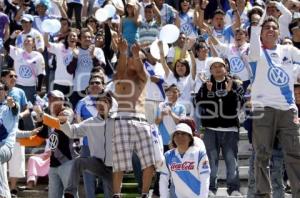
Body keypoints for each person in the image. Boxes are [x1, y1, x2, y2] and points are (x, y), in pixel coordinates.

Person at [248, 15, 300, 197]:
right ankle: (263, 194)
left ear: (279, 32)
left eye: (274, 27)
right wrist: (255, 22)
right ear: (260, 33)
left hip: (288, 109)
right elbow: (254, 45)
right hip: (263, 108)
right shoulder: (255, 52)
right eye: (266, 27)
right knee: (261, 156)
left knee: (296, 154)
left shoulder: (288, 50)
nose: (270, 29)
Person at [112, 39, 155, 198]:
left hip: (141, 120)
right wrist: (123, 52)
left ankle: (144, 194)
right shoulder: (119, 78)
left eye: (139, 60)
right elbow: (121, 69)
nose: (137, 62)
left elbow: (141, 70)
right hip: (122, 120)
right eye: (133, 59)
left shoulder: (143, 78)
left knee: (149, 162)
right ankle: (116, 194)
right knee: (119, 163)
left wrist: (137, 55)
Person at [195, 57, 244, 197]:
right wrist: (209, 93)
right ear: (210, 70)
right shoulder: (206, 85)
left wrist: (229, 92)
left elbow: (238, 103)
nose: (217, 68)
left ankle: (234, 189)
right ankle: (210, 188)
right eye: (214, 66)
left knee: (231, 160)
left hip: (230, 130)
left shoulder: (234, 83)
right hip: (211, 129)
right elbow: (200, 103)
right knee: (210, 161)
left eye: (220, 66)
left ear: (225, 68)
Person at [59, 92, 114, 198]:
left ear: (110, 105)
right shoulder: (90, 122)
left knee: (111, 195)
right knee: (78, 162)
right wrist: (64, 123)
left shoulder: (117, 122)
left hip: (114, 166)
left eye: (105, 102)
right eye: (99, 102)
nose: (101, 105)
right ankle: (70, 192)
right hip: (97, 163)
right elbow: (73, 132)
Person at [159, 123, 210, 198]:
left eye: (183, 134)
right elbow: (163, 180)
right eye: (176, 134)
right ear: (173, 138)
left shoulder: (200, 154)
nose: (179, 136)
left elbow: (205, 179)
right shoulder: (168, 155)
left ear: (190, 138)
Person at [0, 82, 19, 198]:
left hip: (6, 146)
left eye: (1, 89)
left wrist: (12, 104)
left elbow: (15, 108)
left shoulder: (10, 106)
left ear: (6, 92)